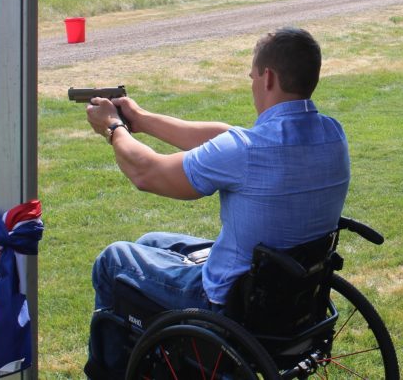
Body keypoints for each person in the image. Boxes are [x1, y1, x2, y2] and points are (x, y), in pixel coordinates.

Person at [83, 27, 350, 374]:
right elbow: (227, 136)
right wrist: (142, 120)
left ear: (267, 78)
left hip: (231, 305)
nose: (252, 84)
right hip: (291, 295)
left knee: (113, 260)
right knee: (151, 242)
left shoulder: (247, 151)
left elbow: (147, 172)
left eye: (252, 77)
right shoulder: (333, 134)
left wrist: (113, 128)